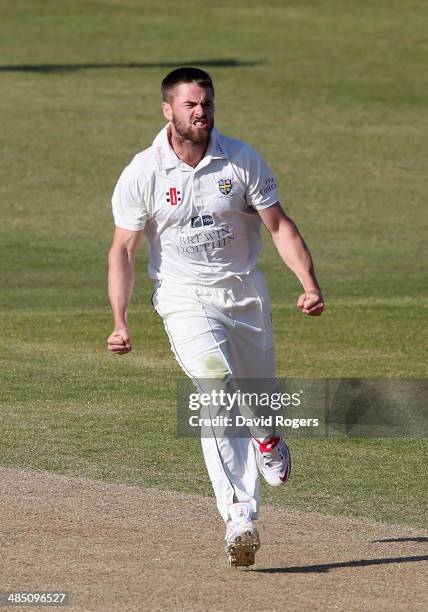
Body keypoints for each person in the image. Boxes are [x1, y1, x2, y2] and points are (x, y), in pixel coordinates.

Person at [107, 67, 324, 567]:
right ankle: (240, 517)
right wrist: (120, 320)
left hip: (246, 296)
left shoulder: (241, 159)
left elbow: (279, 225)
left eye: (206, 103)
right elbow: (122, 248)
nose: (200, 112)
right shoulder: (144, 172)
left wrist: (309, 285)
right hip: (184, 298)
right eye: (189, 105)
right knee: (214, 385)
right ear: (168, 110)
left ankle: (268, 434)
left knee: (254, 397)